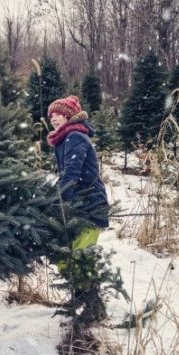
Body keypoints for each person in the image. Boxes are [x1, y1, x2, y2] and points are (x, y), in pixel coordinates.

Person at [47, 95, 109, 250]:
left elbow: (71, 173)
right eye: (51, 116)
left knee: (80, 257)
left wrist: (59, 202)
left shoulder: (75, 136)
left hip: (88, 202)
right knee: (68, 257)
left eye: (59, 115)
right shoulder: (65, 137)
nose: (54, 119)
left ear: (69, 116)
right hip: (77, 201)